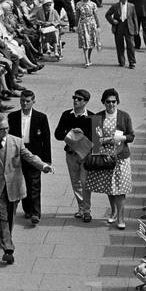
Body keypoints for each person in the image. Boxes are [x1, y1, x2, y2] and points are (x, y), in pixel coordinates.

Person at [0, 114, 52, 266]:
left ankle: (4, 237)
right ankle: (8, 249)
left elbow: (30, 157)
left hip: (14, 186)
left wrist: (43, 166)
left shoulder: (17, 142)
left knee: (9, 216)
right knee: (1, 215)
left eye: (7, 128)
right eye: (1, 129)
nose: (5, 131)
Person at [87, 88, 135, 228]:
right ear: (104, 102)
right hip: (105, 158)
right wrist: (107, 139)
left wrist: (121, 138)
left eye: (114, 101)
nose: (111, 104)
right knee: (110, 187)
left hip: (121, 157)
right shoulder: (97, 117)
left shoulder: (124, 116)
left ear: (117, 102)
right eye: (108, 102)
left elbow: (131, 136)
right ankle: (113, 212)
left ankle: (120, 218)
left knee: (120, 189)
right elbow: (95, 140)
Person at [7, 89, 52, 226]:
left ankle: (35, 213)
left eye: (27, 101)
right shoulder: (13, 116)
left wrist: (46, 160)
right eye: (22, 101)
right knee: (22, 182)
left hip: (34, 154)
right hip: (17, 154)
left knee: (34, 184)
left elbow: (46, 138)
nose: (24, 104)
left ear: (33, 101)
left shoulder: (41, 117)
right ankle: (27, 209)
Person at [54, 88, 94, 222]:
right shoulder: (66, 115)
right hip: (71, 154)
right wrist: (70, 132)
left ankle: (87, 210)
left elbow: (96, 139)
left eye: (79, 99)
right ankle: (81, 208)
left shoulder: (92, 116)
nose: (75, 100)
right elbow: (58, 134)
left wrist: (82, 134)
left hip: (85, 155)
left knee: (85, 182)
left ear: (85, 102)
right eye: (74, 98)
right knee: (75, 182)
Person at [106, 0, 139, 68]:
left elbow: (134, 18)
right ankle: (121, 61)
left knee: (130, 45)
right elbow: (107, 15)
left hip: (129, 26)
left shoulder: (131, 6)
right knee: (119, 45)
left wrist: (136, 29)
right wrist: (112, 21)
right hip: (119, 26)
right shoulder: (115, 6)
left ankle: (132, 62)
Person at [74, 0, 100, 67]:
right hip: (83, 25)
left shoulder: (93, 4)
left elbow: (96, 16)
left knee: (91, 42)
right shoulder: (79, 4)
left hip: (91, 24)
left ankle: (89, 57)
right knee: (84, 42)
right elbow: (77, 16)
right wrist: (75, 25)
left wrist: (98, 25)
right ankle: (86, 61)